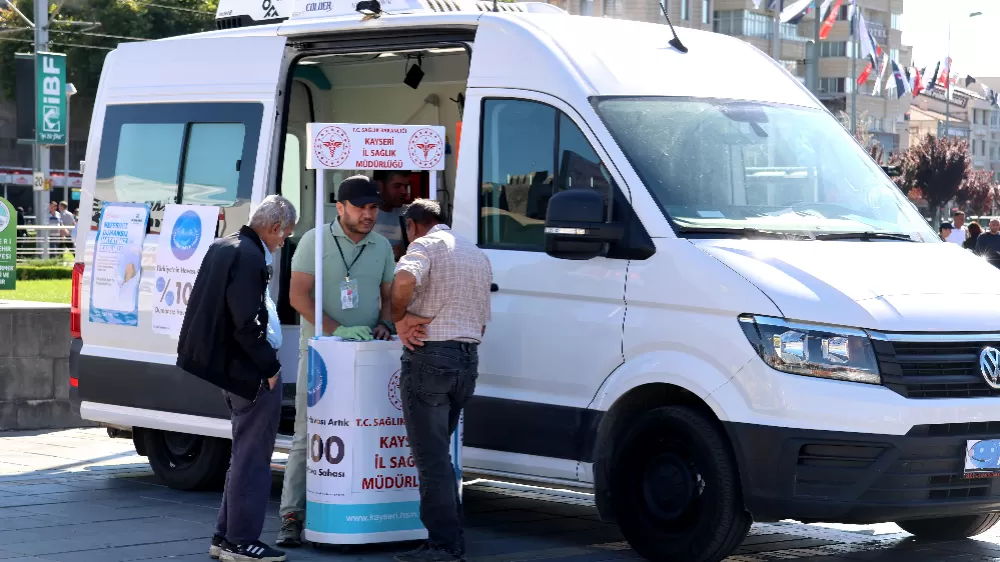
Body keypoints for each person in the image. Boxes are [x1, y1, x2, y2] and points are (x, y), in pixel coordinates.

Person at [176, 195, 297, 562]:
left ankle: (225, 536)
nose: (283, 243)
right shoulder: (250, 256)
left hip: (229, 367)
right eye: (285, 235)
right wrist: (270, 367)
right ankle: (241, 540)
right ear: (274, 227)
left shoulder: (225, 245)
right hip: (250, 371)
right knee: (253, 459)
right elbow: (248, 322)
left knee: (243, 454)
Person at [277, 175, 396, 547]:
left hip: (369, 355)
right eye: (361, 207)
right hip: (322, 354)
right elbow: (298, 296)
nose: (368, 214)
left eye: (373, 207)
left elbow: (389, 297)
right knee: (306, 433)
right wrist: (336, 330)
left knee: (367, 431)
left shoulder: (382, 246)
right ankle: (292, 517)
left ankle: (360, 511)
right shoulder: (315, 240)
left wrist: (384, 324)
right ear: (340, 207)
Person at [390, 199, 493, 562]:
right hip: (467, 362)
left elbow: (404, 279)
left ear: (413, 225)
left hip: (431, 358)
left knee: (431, 459)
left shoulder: (425, 245)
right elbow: (481, 322)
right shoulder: (476, 255)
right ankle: (451, 538)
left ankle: (443, 545)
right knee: (441, 456)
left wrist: (399, 317)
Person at [373, 170, 412, 261]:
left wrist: (403, 252)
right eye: (397, 186)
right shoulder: (365, 214)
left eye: (406, 186)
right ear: (380, 186)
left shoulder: (410, 214)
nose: (404, 191)